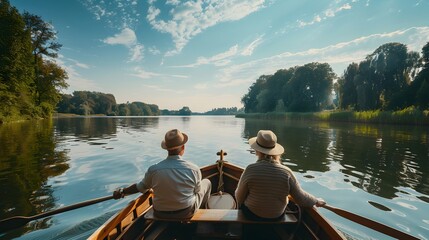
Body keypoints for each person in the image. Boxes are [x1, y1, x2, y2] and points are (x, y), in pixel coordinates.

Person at [113, 129, 212, 219]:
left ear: (167, 149)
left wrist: (122, 191)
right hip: (186, 212)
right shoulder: (193, 169)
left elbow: (140, 187)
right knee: (207, 182)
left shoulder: (154, 170)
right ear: (183, 147)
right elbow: (197, 191)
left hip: (160, 213)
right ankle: (202, 216)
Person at [235, 130, 326, 221]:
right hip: (276, 217)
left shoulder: (250, 169)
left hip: (252, 215)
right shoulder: (286, 172)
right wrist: (316, 201)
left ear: (257, 150)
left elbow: (239, 197)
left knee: (241, 204)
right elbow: (301, 198)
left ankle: (241, 229)